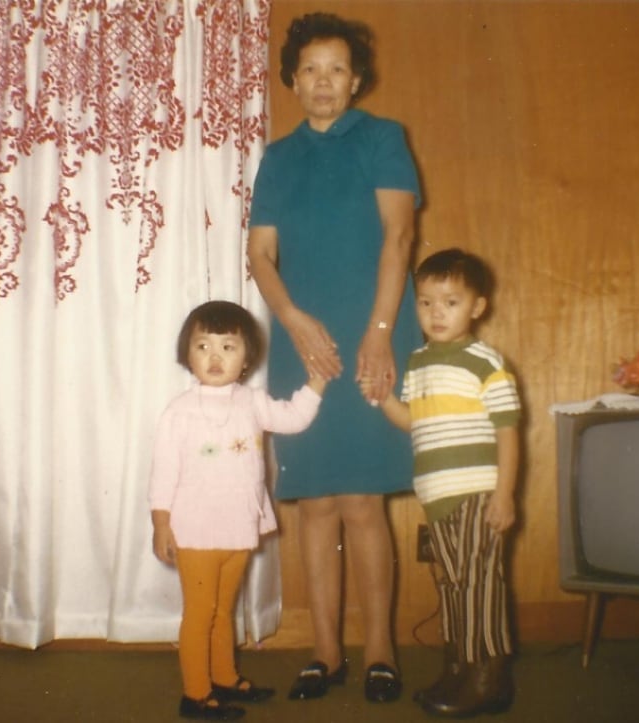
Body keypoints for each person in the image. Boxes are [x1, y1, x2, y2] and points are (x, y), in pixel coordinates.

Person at [247, 12, 420, 704]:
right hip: (302, 339)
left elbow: (399, 236)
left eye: (337, 70)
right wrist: (290, 320)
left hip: (372, 327)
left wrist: (380, 330)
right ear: (293, 80)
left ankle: (379, 650)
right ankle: (324, 653)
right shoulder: (278, 157)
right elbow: (260, 255)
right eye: (310, 70)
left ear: (357, 79)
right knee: (314, 503)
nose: (323, 82)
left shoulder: (382, 139)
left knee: (362, 500)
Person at [149, 300, 326, 721]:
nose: (214, 356)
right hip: (195, 530)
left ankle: (224, 678)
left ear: (246, 358)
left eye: (228, 347)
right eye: (203, 346)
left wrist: (315, 386)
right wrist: (161, 524)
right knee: (200, 613)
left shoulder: (252, 402)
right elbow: (162, 473)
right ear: (186, 354)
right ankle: (195, 695)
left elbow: (293, 418)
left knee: (223, 611)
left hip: (238, 526)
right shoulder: (180, 411)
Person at [363, 248, 521, 718]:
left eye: (450, 302)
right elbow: (412, 421)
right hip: (437, 497)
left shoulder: (484, 361)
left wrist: (505, 494)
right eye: (427, 302)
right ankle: (459, 668)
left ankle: (488, 678)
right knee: (453, 584)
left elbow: (508, 432)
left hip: (477, 492)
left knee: (478, 586)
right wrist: (381, 397)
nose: (436, 313)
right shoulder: (417, 362)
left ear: (477, 307)